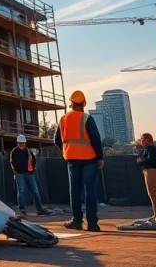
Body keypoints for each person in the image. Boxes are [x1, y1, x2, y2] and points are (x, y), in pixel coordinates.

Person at [54, 90, 104, 232]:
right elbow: (95, 139)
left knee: (74, 191)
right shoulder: (87, 118)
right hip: (89, 159)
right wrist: (100, 157)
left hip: (71, 159)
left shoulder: (63, 119)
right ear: (84, 104)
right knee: (90, 191)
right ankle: (92, 224)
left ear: (71, 104)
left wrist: (66, 151)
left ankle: (76, 221)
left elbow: (56, 140)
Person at [9, 134, 47, 217]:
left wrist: (33, 169)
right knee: (21, 191)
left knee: (35, 191)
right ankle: (22, 210)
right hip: (19, 174)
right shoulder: (14, 152)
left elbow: (33, 160)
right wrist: (16, 170)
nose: (22, 144)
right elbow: (12, 162)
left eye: (23, 143)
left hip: (29, 174)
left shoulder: (28, 151)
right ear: (18, 143)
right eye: (20, 143)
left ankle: (39, 209)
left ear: (25, 143)